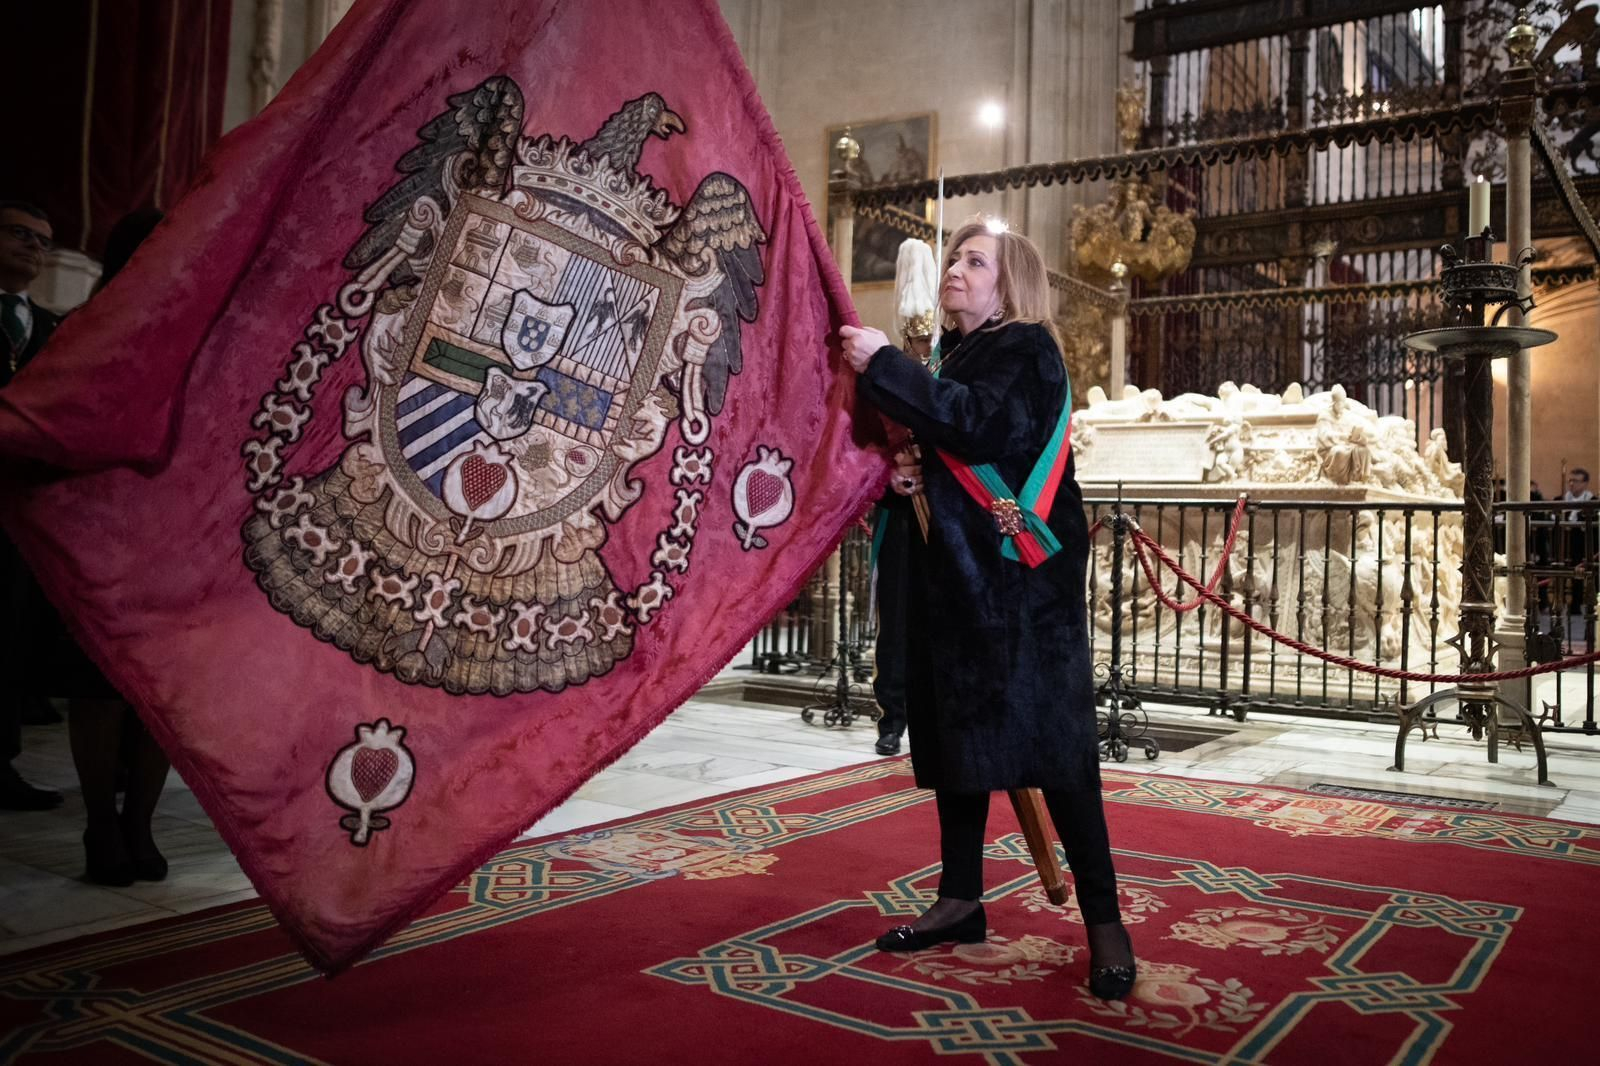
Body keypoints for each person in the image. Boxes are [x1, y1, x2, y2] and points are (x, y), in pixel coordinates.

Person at [838, 218, 1137, 1000]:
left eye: (975, 261)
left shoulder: (1027, 347)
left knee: (1057, 753)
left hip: (1022, 590)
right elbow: (946, 448)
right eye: (954, 259)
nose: (956, 271)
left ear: (1010, 285)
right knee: (957, 747)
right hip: (957, 585)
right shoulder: (954, 356)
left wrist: (887, 365)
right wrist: (907, 481)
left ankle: (1105, 923)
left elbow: (981, 427)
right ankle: (961, 899)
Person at [63, 208, 174, 883]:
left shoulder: (195, 326)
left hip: (166, 538)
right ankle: (101, 823)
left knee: (159, 694)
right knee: (98, 692)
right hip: (96, 535)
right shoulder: (85, 330)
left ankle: (141, 823)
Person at [0, 200, 64, 810]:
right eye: (20, 234)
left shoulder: (50, 327)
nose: (33, 249)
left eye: (42, 241)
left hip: (17, 510)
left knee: (8, 633)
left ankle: (2, 764)